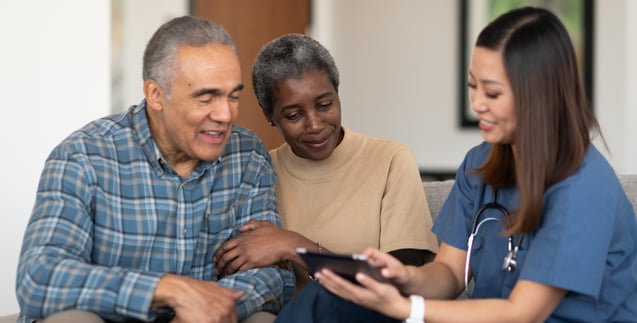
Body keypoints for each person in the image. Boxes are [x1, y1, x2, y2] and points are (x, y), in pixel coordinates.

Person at [281, 6, 637, 322]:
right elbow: (450, 274)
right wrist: (403, 278)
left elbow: (522, 313)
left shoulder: (583, 188)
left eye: (493, 93)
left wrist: (408, 309)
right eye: (472, 86)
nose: (477, 103)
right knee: (329, 296)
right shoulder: (480, 164)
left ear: (539, 96)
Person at [15, 16, 295, 323]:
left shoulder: (248, 156)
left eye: (233, 96)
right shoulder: (83, 156)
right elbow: (38, 276)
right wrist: (169, 290)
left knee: (263, 320)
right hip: (112, 319)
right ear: (155, 95)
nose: (226, 114)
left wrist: (208, 307)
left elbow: (273, 276)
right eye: (206, 97)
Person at [213, 33, 438, 307]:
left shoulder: (392, 160)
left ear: (338, 94)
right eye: (294, 115)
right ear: (268, 115)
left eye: (325, 105)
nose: (315, 125)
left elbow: (400, 285)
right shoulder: (258, 172)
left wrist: (296, 247)